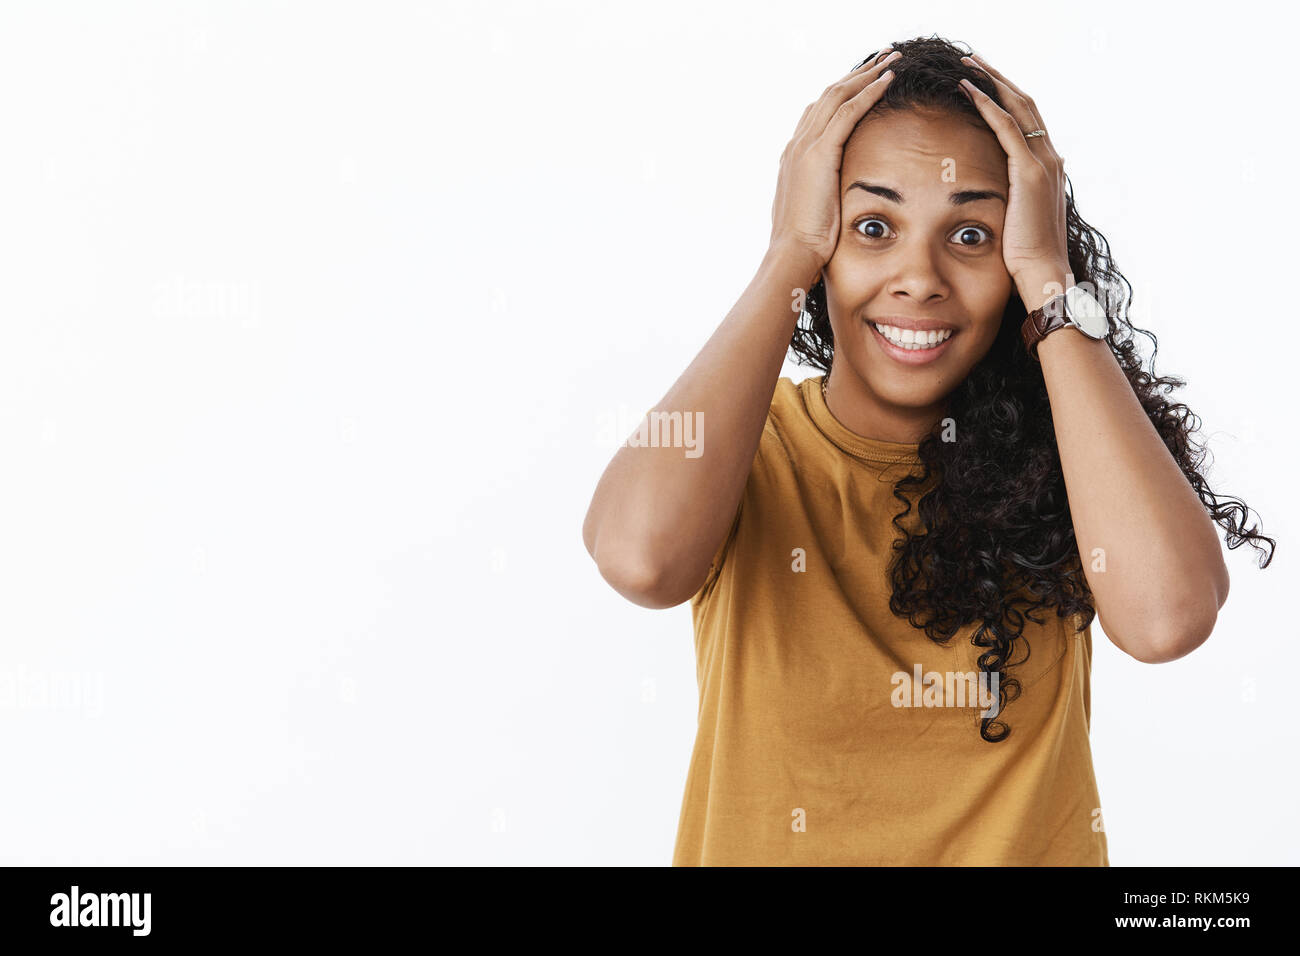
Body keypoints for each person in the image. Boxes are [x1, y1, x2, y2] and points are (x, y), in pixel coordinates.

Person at [581, 35, 1276, 866]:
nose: (920, 276)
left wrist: (1049, 279)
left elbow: (1169, 619)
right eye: (873, 226)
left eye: (973, 236)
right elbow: (637, 560)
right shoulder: (745, 449)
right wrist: (784, 258)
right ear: (826, 241)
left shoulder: (1070, 453)